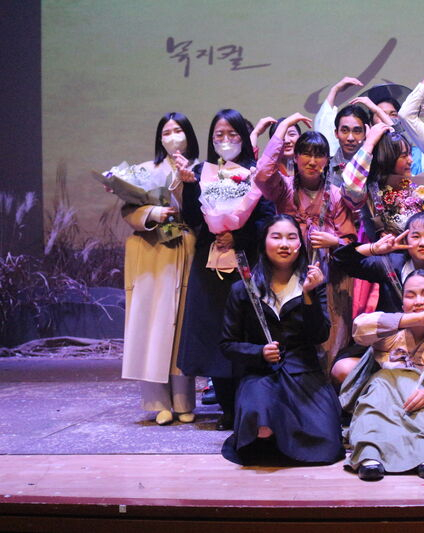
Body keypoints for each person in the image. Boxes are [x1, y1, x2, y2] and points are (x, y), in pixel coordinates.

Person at [178, 108, 274, 431]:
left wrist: (239, 236)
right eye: (219, 135)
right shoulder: (202, 172)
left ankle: (249, 408)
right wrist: (189, 187)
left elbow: (267, 220)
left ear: (243, 138)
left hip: (247, 266)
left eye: (232, 134)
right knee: (214, 336)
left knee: (246, 335)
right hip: (210, 268)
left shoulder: (255, 174)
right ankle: (227, 409)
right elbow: (193, 218)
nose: (226, 140)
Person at [220, 215, 344, 466]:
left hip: (303, 372)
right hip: (261, 373)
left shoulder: (313, 283)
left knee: (326, 444)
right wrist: (259, 352)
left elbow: (319, 336)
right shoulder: (243, 288)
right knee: (262, 427)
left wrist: (308, 296)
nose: (284, 244)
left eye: (291, 237)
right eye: (276, 237)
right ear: (264, 242)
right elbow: (227, 345)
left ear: (300, 244)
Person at [340, 270, 424, 481]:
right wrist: (414, 319)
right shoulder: (391, 331)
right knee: (381, 384)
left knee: (417, 391)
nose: (419, 301)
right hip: (382, 402)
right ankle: (370, 454)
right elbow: (360, 327)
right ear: (402, 302)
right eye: (410, 295)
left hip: (417, 406)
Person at [253, 112, 358, 366]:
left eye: (319, 155)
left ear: (327, 160)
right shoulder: (284, 188)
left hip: (326, 277)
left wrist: (334, 241)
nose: (312, 161)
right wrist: (285, 127)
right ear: (296, 156)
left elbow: (350, 241)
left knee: (327, 334)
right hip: (285, 273)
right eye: (306, 154)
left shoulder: (336, 195)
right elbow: (263, 174)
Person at [120, 112, 200, 425]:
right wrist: (152, 212)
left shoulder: (201, 169)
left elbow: (200, 210)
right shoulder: (143, 170)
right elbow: (129, 210)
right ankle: (158, 402)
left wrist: (186, 182)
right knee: (151, 324)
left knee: (180, 327)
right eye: (166, 132)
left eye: (178, 130)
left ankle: (183, 401)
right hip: (151, 251)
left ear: (189, 135)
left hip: (184, 248)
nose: (172, 136)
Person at [331, 211, 424, 383]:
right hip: (384, 347)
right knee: (342, 369)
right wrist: (374, 249)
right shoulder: (390, 265)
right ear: (406, 240)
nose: (423, 243)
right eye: (415, 236)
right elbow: (341, 260)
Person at [313, 76, 371, 184]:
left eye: (357, 131)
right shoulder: (325, 167)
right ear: (336, 133)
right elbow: (323, 121)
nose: (350, 138)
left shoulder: (375, 164)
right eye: (344, 130)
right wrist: (335, 90)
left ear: (365, 133)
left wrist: (376, 110)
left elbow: (397, 141)